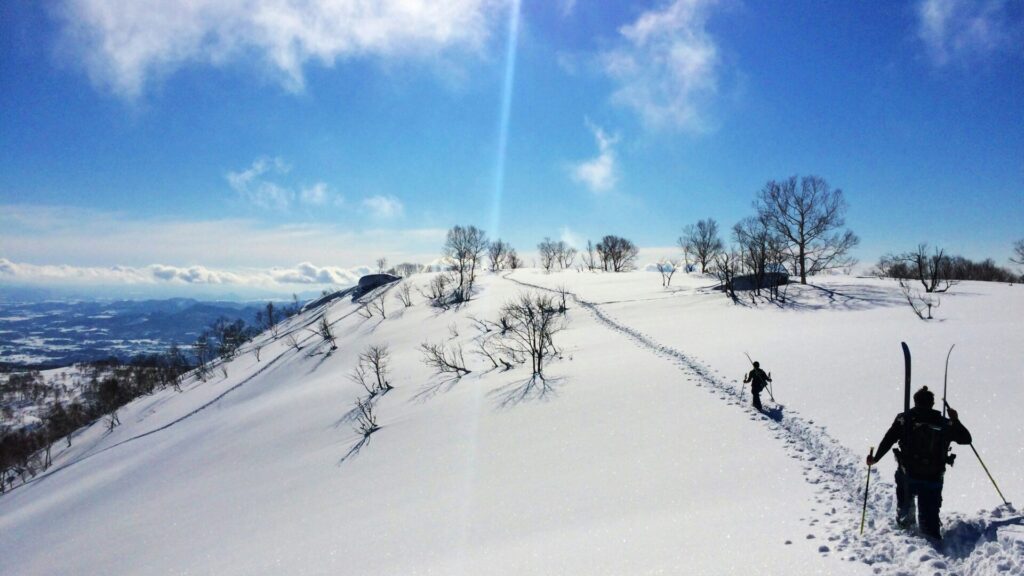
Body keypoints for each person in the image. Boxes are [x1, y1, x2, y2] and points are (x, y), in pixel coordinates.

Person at [866, 386, 972, 542]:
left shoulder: (904, 420)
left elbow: (889, 440)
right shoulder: (944, 423)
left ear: (915, 402)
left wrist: (875, 458)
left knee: (905, 508)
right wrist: (955, 420)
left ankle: (906, 531)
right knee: (929, 516)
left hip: (908, 473)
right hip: (934, 476)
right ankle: (931, 536)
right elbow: (966, 439)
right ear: (932, 403)